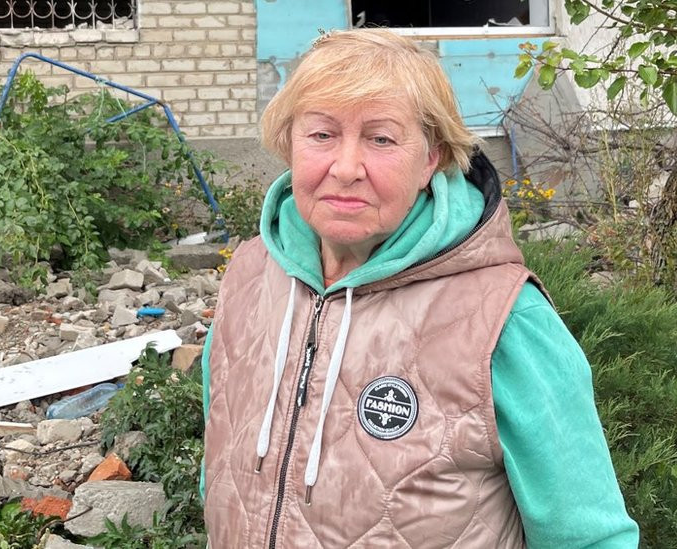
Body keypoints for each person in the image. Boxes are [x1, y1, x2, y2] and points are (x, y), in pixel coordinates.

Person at [199, 28, 638, 548]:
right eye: (321, 134)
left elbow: (588, 537)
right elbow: (224, 469)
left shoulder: (501, 315)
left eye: (381, 139)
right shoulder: (250, 277)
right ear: (289, 143)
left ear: (431, 158)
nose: (345, 168)